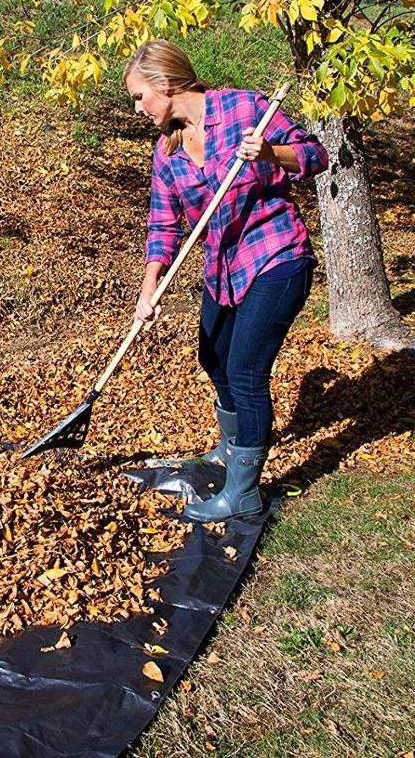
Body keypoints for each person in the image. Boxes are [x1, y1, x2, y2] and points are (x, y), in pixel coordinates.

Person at [125, 39, 329, 523]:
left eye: (139, 96)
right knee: (212, 355)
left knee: (245, 372)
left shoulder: (245, 108)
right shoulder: (167, 150)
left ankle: (243, 493)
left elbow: (314, 154)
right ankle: (232, 445)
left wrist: (271, 153)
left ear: (166, 85)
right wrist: (149, 287)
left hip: (275, 256)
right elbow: (163, 225)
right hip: (222, 268)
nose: (138, 108)